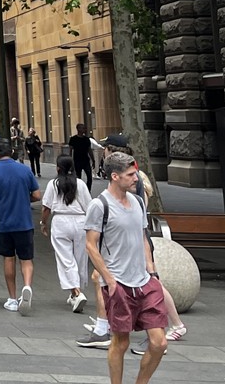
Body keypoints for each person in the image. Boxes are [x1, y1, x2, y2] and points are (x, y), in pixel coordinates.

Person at [83, 152, 168, 384]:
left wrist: (152, 273)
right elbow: (91, 246)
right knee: (121, 342)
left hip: (144, 281)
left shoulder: (139, 202)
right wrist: (109, 280)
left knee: (159, 342)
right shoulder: (99, 206)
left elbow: (143, 238)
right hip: (118, 283)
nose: (136, 179)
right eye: (131, 175)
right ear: (114, 176)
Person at [0, 139, 41, 313]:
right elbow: (37, 195)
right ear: (12, 152)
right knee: (26, 259)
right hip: (24, 222)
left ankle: (12, 298)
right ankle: (27, 287)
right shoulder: (25, 170)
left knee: (9, 258)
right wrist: (24, 199)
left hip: (3, 223)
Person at [41, 155, 92, 312]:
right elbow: (89, 206)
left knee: (65, 258)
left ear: (58, 168)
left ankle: (76, 292)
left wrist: (44, 223)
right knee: (80, 258)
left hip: (61, 222)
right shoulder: (81, 184)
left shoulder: (53, 184)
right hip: (81, 222)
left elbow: (46, 207)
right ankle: (77, 291)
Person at [69, 123, 96, 190]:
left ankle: (88, 190)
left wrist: (93, 160)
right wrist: (70, 162)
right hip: (77, 161)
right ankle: (79, 191)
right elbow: (70, 151)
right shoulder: (73, 139)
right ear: (78, 129)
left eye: (84, 128)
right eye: (83, 128)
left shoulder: (86, 139)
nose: (84, 129)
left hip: (86, 160)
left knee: (89, 177)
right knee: (78, 178)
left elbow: (89, 150)